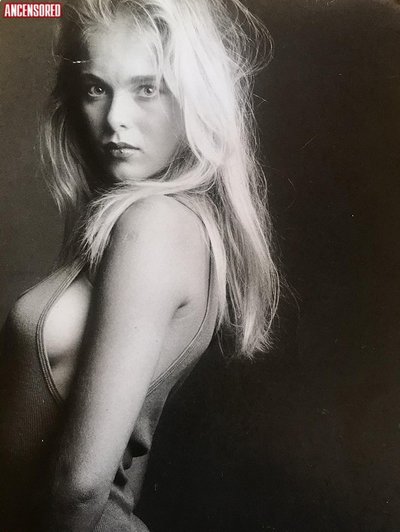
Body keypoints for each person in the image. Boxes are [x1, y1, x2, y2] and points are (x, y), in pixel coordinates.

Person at [0, 0, 279, 530]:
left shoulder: (154, 225)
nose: (115, 119)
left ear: (193, 95)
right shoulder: (154, 221)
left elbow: (81, 489)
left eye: (147, 88)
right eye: (96, 88)